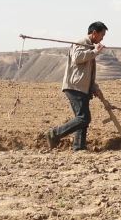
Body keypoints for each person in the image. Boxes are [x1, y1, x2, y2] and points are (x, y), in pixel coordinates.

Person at [46, 21, 108, 151]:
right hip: (75, 87)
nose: (102, 38)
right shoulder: (81, 43)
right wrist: (95, 52)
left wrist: (94, 88)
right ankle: (55, 133)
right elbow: (77, 58)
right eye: (102, 35)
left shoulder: (90, 46)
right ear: (94, 33)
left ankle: (79, 147)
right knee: (83, 118)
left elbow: (87, 72)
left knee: (82, 120)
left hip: (82, 87)